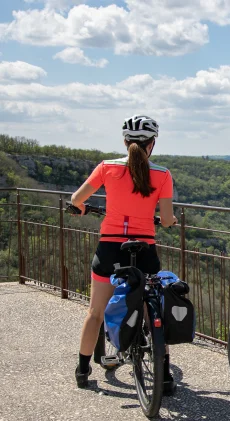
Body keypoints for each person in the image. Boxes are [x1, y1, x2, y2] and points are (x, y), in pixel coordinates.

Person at [70, 114, 178, 392]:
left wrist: (81, 208)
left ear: (125, 141)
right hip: (144, 249)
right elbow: (166, 219)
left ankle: (83, 371)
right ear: (152, 144)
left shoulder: (106, 168)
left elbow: (77, 199)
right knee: (152, 307)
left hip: (110, 248)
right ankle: (164, 376)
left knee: (95, 312)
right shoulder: (162, 174)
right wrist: (170, 221)